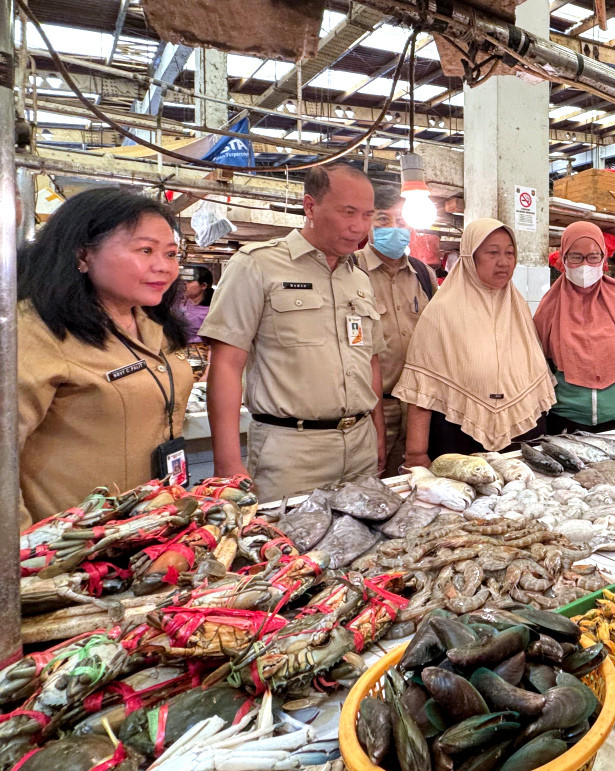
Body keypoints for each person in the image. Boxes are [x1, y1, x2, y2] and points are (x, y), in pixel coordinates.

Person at [200, 163, 386, 503]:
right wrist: (227, 462)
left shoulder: (358, 278)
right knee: (287, 548)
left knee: (363, 552)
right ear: (311, 206)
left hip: (360, 446)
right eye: (348, 213)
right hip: (291, 452)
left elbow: (369, 361)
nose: (359, 227)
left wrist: (378, 436)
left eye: (367, 215)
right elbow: (226, 364)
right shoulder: (257, 265)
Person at [17, 188, 193, 527]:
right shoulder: (35, 331)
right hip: (73, 550)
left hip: (153, 529)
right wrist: (18, 550)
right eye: (145, 250)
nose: (164, 267)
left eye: (171, 254)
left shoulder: (153, 321)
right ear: (83, 255)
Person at [394, 218, 556, 465]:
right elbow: (422, 388)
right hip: (458, 435)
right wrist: (417, 455)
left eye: (509, 253)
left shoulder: (518, 306)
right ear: (470, 257)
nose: (503, 261)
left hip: (522, 434)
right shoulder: (442, 310)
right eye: (492, 252)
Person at [533, 221, 615, 434]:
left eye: (593, 257)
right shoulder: (550, 305)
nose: (585, 265)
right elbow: (542, 362)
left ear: (604, 259)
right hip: (567, 418)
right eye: (575, 257)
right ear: (563, 259)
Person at [361, 182, 438, 476]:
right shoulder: (349, 272)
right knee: (373, 484)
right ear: (367, 222)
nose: (394, 228)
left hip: (420, 408)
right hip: (371, 408)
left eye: (402, 222)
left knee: (415, 486)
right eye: (383, 220)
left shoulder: (423, 274)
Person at [179, 265, 213, 342]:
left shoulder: (212, 311)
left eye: (189, 282)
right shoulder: (178, 300)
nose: (184, 284)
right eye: (183, 281)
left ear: (203, 286)